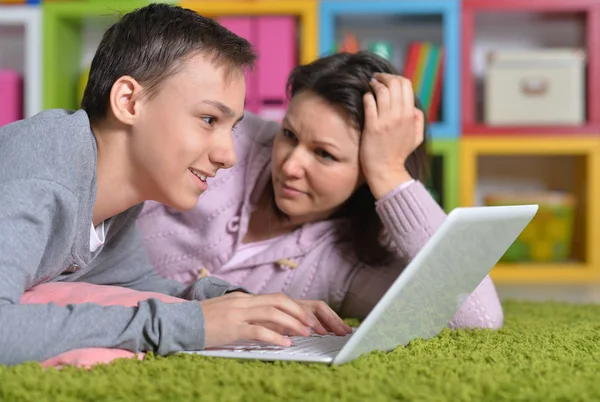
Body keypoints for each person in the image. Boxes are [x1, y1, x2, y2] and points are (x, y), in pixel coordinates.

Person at [0, 4, 350, 367]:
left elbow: (136, 285)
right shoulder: (41, 175)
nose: (229, 155)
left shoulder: (111, 199)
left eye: (230, 127)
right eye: (208, 119)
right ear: (129, 101)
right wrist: (184, 325)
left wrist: (238, 302)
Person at [138, 51, 504, 329]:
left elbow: (478, 316)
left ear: (367, 174)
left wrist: (390, 172)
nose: (290, 166)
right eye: (289, 135)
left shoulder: (354, 261)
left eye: (324, 155)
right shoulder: (230, 137)